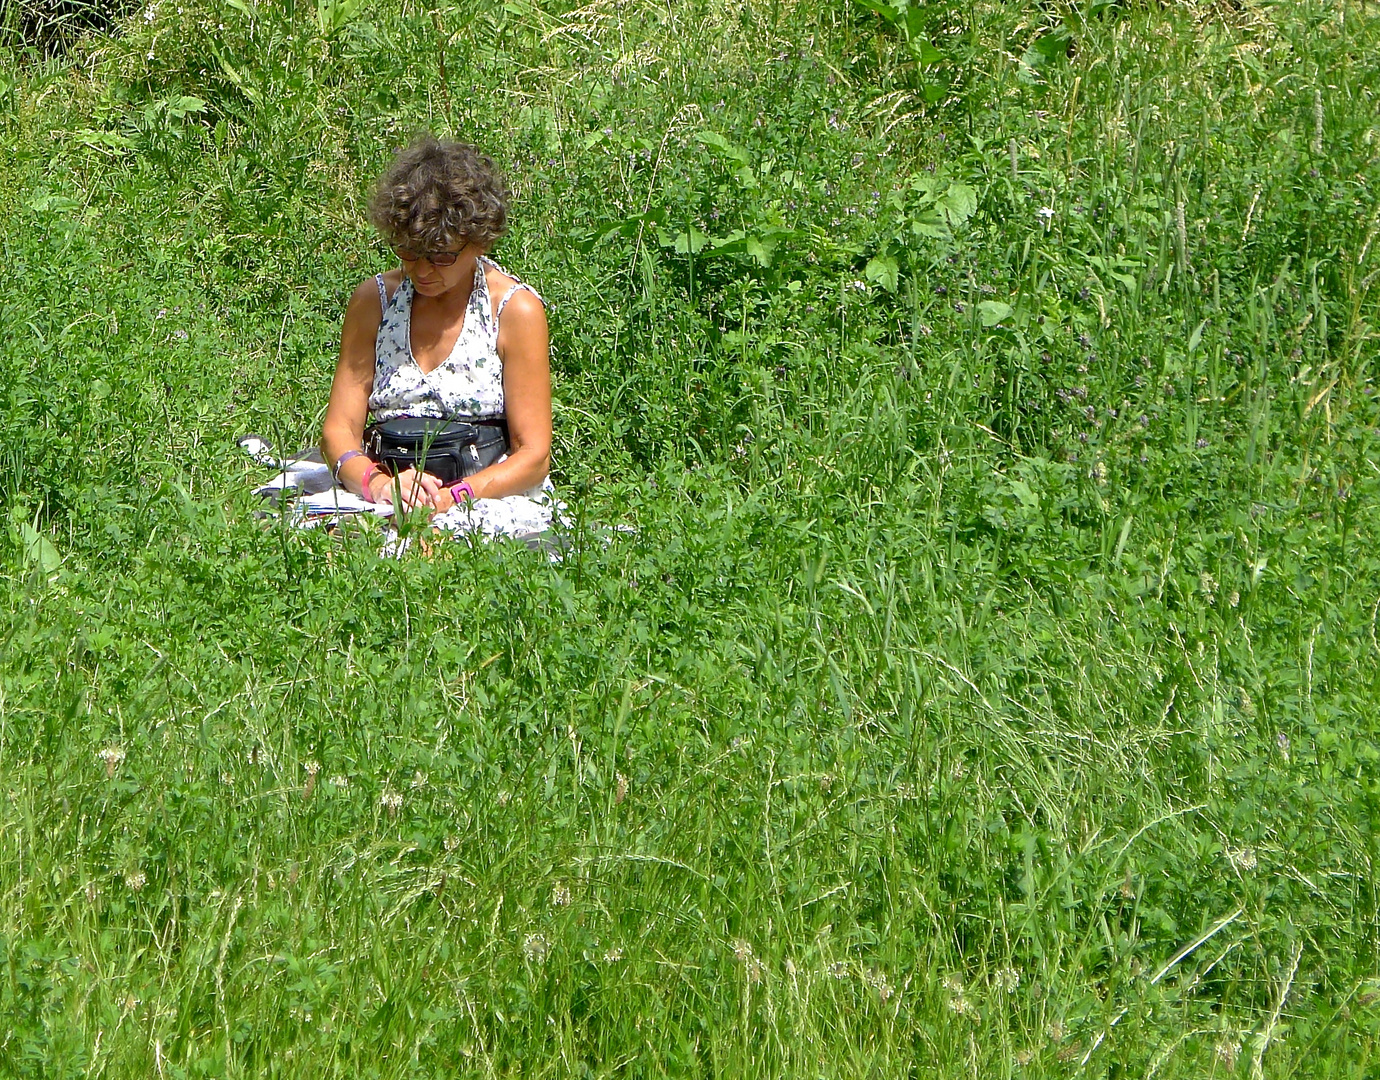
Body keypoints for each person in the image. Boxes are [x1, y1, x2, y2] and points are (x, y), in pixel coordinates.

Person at [321, 135, 555, 535]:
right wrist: (378, 484)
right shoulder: (375, 301)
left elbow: (533, 455)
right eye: (409, 253)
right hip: (384, 486)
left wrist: (451, 496)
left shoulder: (514, 311)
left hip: (479, 493)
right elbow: (339, 428)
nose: (423, 270)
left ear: (479, 241)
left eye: (442, 255)